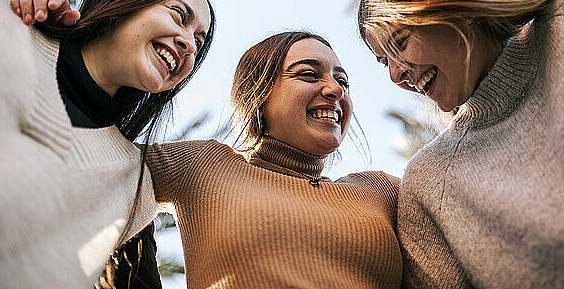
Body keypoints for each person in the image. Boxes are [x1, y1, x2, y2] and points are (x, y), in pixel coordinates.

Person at [358, 0, 564, 288]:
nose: (396, 74)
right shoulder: (430, 183)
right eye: (384, 60)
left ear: (457, 7)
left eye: (400, 41)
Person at [0, 0, 215, 289]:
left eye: (199, 41)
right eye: (179, 15)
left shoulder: (134, 184)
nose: (189, 44)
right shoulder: (8, 31)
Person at [143, 31, 403, 288]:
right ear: (258, 94)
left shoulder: (382, 190)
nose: (336, 90)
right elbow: (107, 163)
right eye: (309, 74)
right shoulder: (203, 166)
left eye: (343, 82)